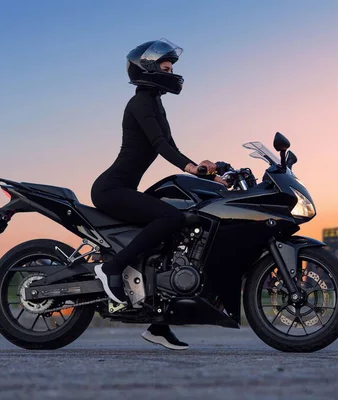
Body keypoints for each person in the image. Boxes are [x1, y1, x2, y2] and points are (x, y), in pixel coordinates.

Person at [91, 38, 228, 350]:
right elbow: (160, 146)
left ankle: (158, 325)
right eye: (166, 68)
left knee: (171, 239)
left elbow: (172, 146)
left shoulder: (155, 102)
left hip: (124, 188)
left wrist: (212, 173)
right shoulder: (140, 102)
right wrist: (192, 168)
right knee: (171, 216)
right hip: (111, 189)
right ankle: (110, 268)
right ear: (149, 69)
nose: (172, 73)